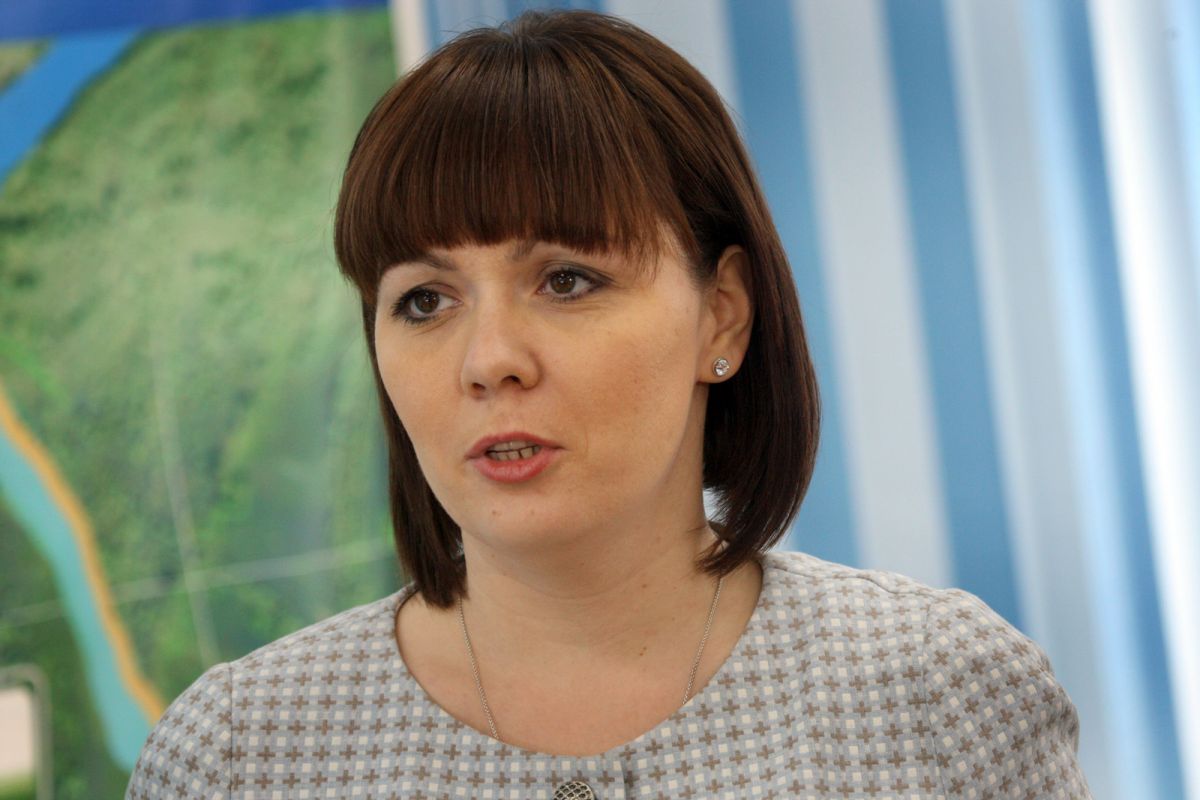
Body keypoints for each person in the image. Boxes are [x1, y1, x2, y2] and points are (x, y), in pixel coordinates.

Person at [126, 8, 1091, 798]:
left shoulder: (942, 694)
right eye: (424, 301)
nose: (489, 361)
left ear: (721, 314)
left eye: (567, 280)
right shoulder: (237, 756)